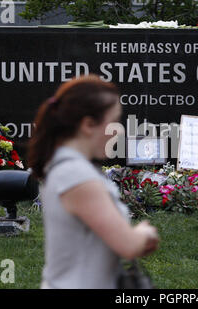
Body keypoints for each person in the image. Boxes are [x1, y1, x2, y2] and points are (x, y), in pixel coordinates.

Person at [27, 74, 160, 289]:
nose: (119, 131)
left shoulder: (65, 166)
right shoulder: (76, 175)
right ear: (88, 124)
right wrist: (144, 233)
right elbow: (128, 245)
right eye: (114, 122)